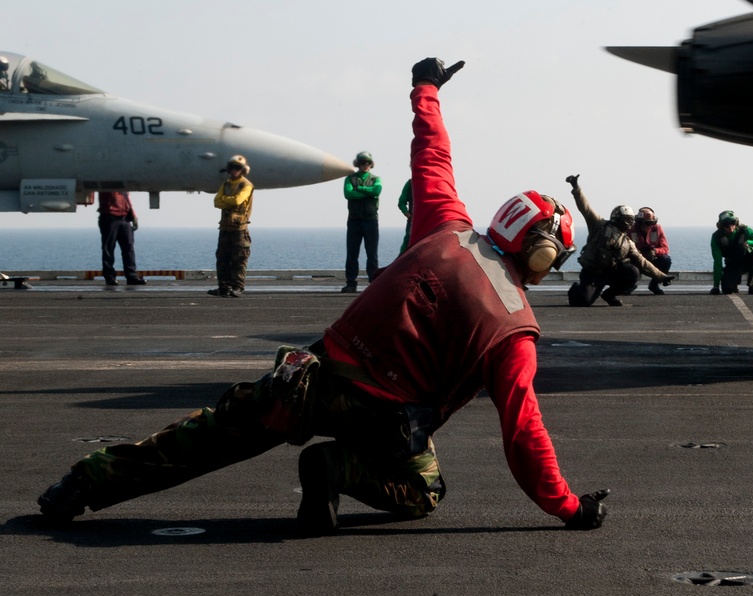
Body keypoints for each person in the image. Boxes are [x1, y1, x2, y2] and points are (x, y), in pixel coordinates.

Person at [37, 57, 608, 535]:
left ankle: (79, 485)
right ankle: (336, 469)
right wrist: (569, 506)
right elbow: (523, 431)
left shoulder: (445, 225)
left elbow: (431, 155)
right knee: (422, 488)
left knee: (209, 434)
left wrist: (426, 88)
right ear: (540, 253)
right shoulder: (513, 328)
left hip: (312, 376)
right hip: (384, 422)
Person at [565, 174, 673, 306]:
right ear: (618, 218)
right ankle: (577, 288)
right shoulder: (599, 225)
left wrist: (661, 277)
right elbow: (585, 208)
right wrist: (576, 188)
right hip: (592, 273)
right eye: (627, 220)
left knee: (632, 272)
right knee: (582, 302)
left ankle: (609, 295)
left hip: (611, 272)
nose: (629, 223)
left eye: (630, 220)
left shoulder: (627, 242)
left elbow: (642, 262)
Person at [210, 155, 254, 298]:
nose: (235, 170)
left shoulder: (246, 185)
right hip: (225, 228)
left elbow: (237, 200)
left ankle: (238, 288)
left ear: (243, 170)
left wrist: (225, 200)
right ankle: (223, 287)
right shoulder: (226, 184)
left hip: (239, 230)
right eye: (233, 167)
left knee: (239, 259)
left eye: (238, 168)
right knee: (222, 258)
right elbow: (216, 202)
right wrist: (226, 200)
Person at [341, 151, 382, 292]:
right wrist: (367, 192)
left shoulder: (376, 179)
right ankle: (351, 283)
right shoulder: (349, 179)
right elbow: (348, 194)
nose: (365, 165)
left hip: (371, 221)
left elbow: (377, 191)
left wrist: (360, 188)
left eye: (368, 163)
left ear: (371, 164)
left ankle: (374, 283)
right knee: (352, 254)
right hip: (354, 221)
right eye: (362, 162)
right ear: (357, 163)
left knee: (372, 254)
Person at [710, 210, 753, 295]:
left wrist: (750, 242)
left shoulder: (745, 230)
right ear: (721, 226)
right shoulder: (716, 238)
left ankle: (752, 285)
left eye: (732, 222)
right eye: (726, 224)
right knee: (727, 290)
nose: (730, 226)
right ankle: (732, 284)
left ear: (736, 222)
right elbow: (717, 262)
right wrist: (716, 286)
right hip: (732, 264)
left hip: (747, 262)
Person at [97, 191, 146, 287]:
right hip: (109, 216)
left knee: (128, 248)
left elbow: (127, 199)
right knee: (109, 248)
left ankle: (131, 276)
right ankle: (110, 277)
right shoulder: (106, 182)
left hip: (124, 217)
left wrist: (133, 215)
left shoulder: (123, 185)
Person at [629, 207, 673, 295]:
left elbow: (665, 248)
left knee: (666, 260)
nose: (644, 226)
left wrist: (655, 251)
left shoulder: (657, 228)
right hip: (635, 259)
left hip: (652, 258)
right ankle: (629, 285)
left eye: (648, 223)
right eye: (641, 223)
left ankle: (654, 284)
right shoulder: (630, 229)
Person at [398, 178, 413, 254]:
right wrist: (409, 216)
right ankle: (400, 263)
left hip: (429, 220)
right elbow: (401, 203)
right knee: (408, 241)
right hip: (413, 220)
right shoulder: (410, 183)